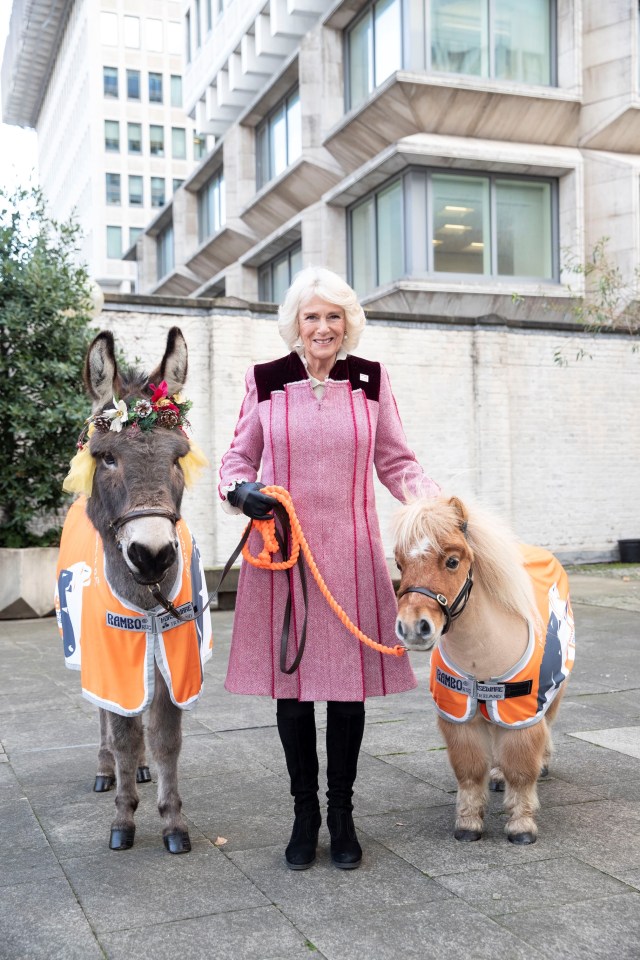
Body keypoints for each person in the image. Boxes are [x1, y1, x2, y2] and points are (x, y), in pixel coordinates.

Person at [218, 267, 440, 870]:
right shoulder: (265, 380)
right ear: (296, 322)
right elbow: (236, 458)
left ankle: (341, 815)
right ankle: (304, 815)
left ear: (348, 325)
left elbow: (397, 461)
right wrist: (241, 493)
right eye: (312, 316)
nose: (323, 327)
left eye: (333, 316)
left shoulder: (370, 380)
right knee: (292, 691)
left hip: (352, 554)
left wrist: (434, 507)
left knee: (345, 694)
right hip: (283, 554)